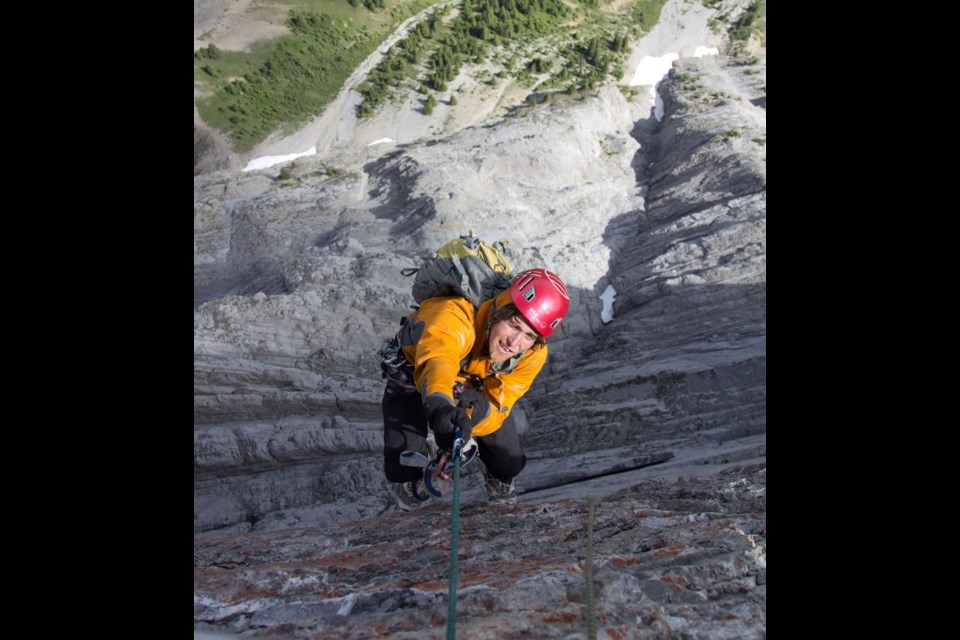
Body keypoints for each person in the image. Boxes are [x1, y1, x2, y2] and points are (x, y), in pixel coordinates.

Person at [381, 268, 570, 510]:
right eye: (513, 325)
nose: (514, 343)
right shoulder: (453, 315)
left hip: (470, 382)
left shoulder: (533, 353)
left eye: (528, 335)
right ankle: (417, 463)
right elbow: (437, 361)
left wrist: (475, 415)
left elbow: (502, 401)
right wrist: (440, 407)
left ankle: (494, 476)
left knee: (508, 463)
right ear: (497, 311)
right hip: (413, 372)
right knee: (402, 470)